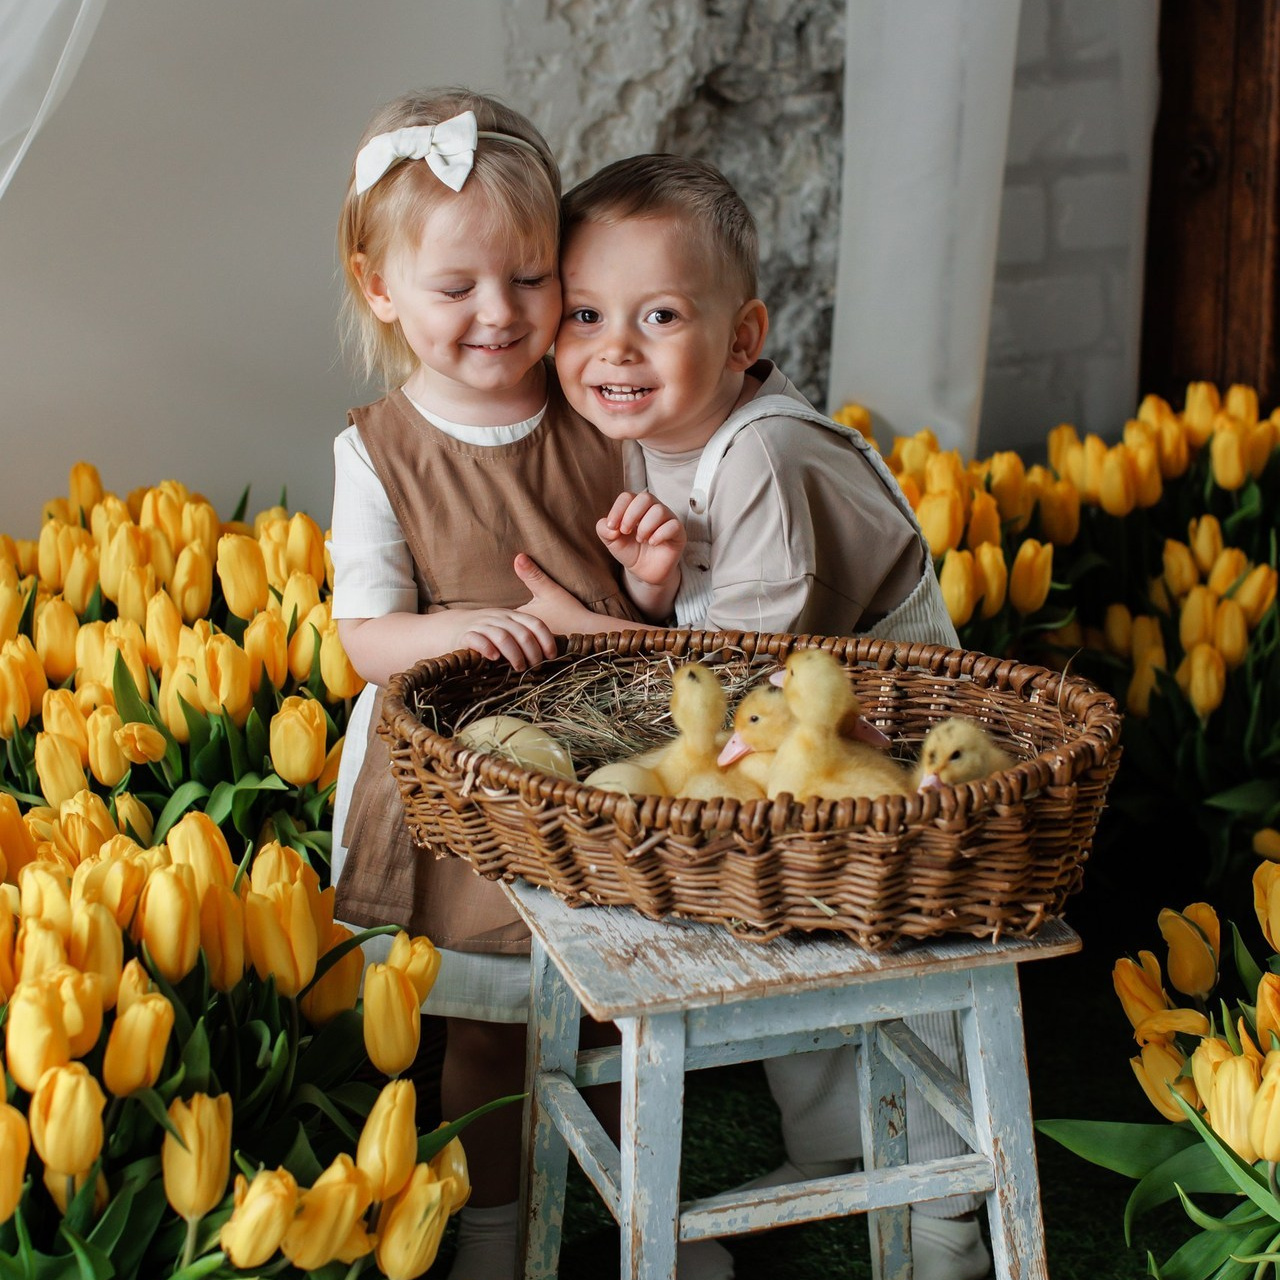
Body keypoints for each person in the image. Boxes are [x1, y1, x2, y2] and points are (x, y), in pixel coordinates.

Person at [515, 154, 991, 1280]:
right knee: (775, 942)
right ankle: (826, 1154)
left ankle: (942, 1236)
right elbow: (707, 631)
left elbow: (759, 676)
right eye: (583, 314)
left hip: (893, 765)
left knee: (890, 977)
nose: (611, 347)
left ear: (742, 337)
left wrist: (597, 636)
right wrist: (644, 585)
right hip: (783, 759)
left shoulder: (766, 452)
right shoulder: (654, 433)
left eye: (658, 315)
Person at [326, 89, 658, 1280]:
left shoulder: (594, 407)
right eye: (455, 287)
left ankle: (633, 1219)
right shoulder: (379, 448)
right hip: (460, 773)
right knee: (484, 1030)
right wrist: (453, 626)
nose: (498, 314)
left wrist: (655, 572)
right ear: (381, 288)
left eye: (527, 280)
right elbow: (363, 636)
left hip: (609, 757)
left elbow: (649, 611)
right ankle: (491, 1234)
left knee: (622, 1015)